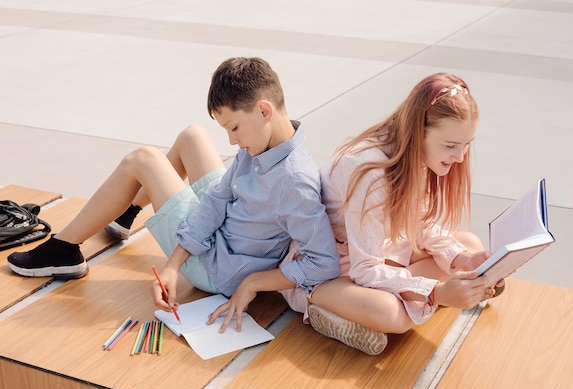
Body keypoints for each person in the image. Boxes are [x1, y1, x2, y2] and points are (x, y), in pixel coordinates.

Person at [8, 57, 340, 331]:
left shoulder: (293, 182)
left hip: (215, 266)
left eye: (234, 128)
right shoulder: (265, 146)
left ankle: (64, 250)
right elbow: (217, 200)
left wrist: (252, 284)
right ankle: (126, 210)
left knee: (142, 159)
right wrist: (171, 264)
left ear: (264, 111)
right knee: (192, 136)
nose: (232, 142)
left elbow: (323, 263)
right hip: (222, 231)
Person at [280, 73, 505, 355]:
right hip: (333, 266)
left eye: (466, 144)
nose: (460, 157)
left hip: (380, 248)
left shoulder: (415, 154)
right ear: (418, 130)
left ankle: (390, 298)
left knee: (469, 246)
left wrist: (462, 259)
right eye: (450, 146)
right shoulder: (369, 173)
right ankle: (323, 302)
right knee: (392, 315)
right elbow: (364, 268)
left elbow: (420, 224)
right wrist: (435, 291)